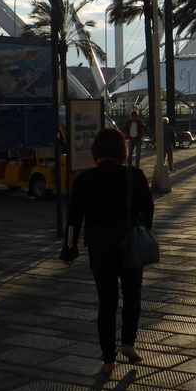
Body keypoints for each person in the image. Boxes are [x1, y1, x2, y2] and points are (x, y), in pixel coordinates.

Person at [60, 128, 154, 375]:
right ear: (123, 151)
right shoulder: (135, 176)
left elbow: (73, 219)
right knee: (133, 295)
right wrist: (140, 230)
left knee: (107, 302)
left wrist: (69, 249)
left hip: (99, 248)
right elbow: (148, 210)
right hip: (130, 246)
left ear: (96, 151)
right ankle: (128, 344)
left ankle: (108, 360)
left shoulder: (84, 180)